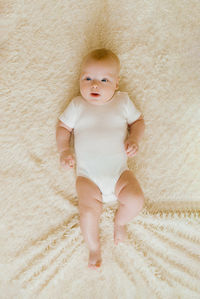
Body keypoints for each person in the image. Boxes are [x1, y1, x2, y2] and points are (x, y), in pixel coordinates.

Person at [56, 48, 145, 269]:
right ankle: (94, 248)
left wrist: (134, 138)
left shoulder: (122, 102)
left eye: (104, 80)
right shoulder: (78, 105)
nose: (94, 85)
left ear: (116, 84)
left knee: (136, 199)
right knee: (87, 212)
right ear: (80, 80)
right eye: (88, 78)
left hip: (118, 174)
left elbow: (138, 122)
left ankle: (120, 221)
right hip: (88, 178)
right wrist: (64, 150)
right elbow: (63, 127)